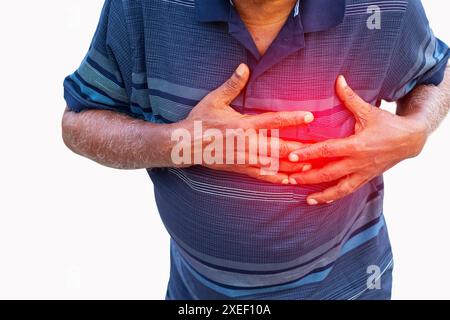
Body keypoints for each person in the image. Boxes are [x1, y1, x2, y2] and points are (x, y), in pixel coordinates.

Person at [62, 0, 450, 299]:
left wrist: (415, 130)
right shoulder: (142, 8)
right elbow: (79, 123)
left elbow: (436, 73)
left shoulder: (385, 8)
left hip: (349, 287)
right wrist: (179, 142)